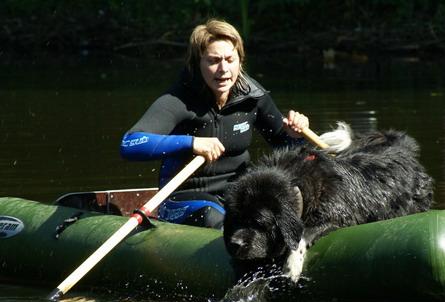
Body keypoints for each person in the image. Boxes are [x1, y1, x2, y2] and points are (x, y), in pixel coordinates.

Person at [120, 19, 310, 229]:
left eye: (230, 59)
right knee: (216, 219)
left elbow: (286, 148)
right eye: (213, 61)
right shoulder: (178, 100)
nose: (223, 69)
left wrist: (295, 136)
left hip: (240, 195)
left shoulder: (252, 96)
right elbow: (131, 144)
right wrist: (191, 143)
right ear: (197, 63)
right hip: (184, 200)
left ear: (240, 60)